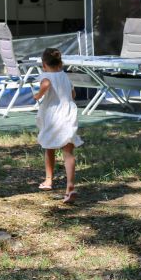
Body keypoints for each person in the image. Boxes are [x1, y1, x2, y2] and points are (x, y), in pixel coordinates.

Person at [33, 48, 83, 203]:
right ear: (61, 63)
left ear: (43, 65)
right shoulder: (65, 77)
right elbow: (73, 95)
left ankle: (48, 180)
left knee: (49, 147)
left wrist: (38, 95)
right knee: (68, 151)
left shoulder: (45, 76)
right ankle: (70, 186)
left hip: (53, 116)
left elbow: (46, 83)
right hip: (68, 114)